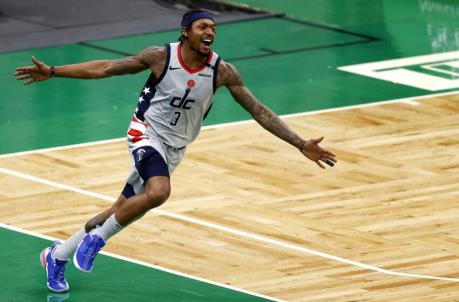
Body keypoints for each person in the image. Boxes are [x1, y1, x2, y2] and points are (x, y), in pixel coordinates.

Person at [15, 9, 337, 293]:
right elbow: (106, 67)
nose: (210, 31)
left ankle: (56, 255)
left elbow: (260, 111)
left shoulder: (223, 71)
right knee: (159, 192)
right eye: (202, 27)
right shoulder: (160, 57)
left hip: (175, 149)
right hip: (145, 133)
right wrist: (55, 71)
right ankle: (96, 241)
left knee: (120, 209)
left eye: (213, 27)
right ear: (186, 32)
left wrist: (300, 143)